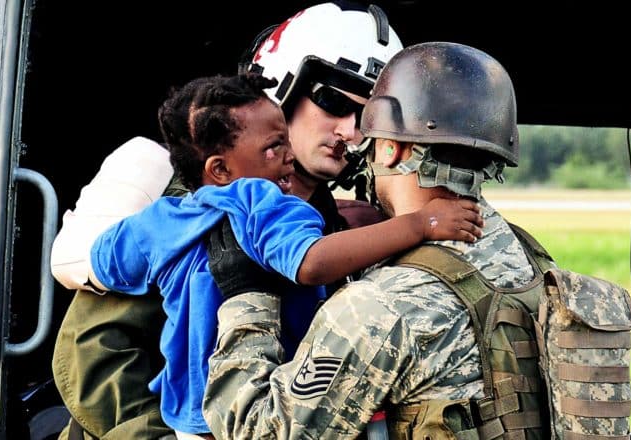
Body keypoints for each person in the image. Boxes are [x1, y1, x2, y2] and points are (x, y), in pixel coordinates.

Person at [50, 4, 406, 439]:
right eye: (333, 101)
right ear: (282, 85)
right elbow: (95, 350)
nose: (350, 132)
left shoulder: (346, 230)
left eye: (367, 118)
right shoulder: (163, 188)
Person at [87, 72, 484, 440]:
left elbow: (106, 262)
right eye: (274, 147)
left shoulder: (163, 218)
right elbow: (312, 263)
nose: (288, 154)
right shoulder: (262, 201)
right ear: (221, 169)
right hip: (253, 400)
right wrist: (420, 224)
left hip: (185, 412)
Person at [202, 42, 557, 439]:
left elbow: (260, 432)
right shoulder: (536, 264)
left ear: (390, 148)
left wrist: (246, 299)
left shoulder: (381, 307)